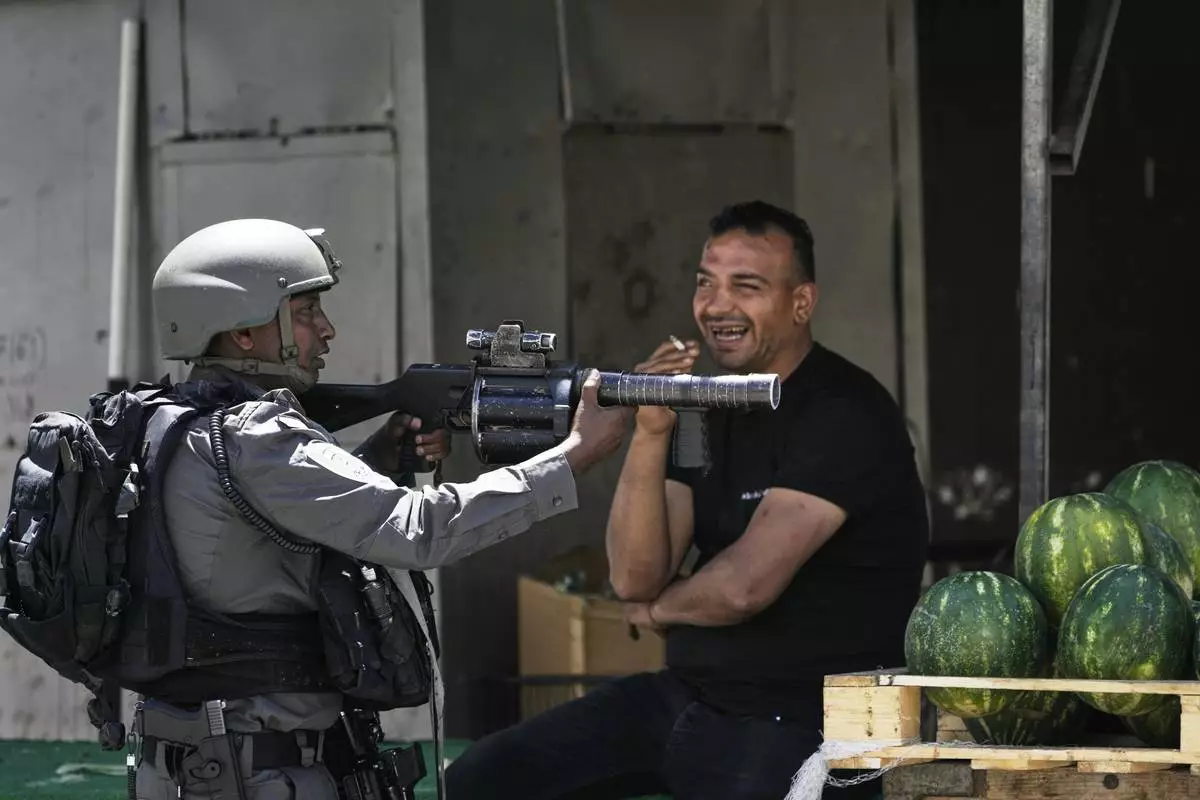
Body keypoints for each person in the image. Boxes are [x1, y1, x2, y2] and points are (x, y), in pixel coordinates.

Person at [128, 218, 632, 800]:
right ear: (244, 333)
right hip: (253, 769)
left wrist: (381, 457)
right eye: (306, 311)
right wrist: (570, 459)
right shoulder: (258, 440)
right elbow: (420, 531)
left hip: (203, 759)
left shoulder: (169, 421)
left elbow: (268, 531)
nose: (327, 330)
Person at [445, 200, 930, 800]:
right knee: (482, 778)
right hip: (690, 696)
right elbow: (633, 575)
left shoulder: (844, 412)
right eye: (706, 284)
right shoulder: (707, 404)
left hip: (812, 717)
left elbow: (744, 587)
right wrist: (651, 427)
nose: (717, 306)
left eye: (745, 286)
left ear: (801, 302)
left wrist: (660, 614)